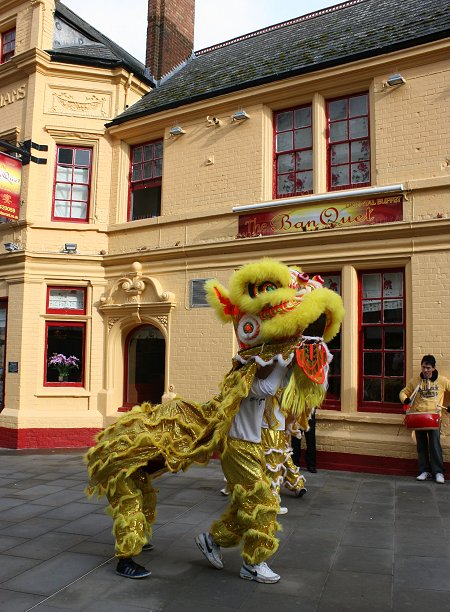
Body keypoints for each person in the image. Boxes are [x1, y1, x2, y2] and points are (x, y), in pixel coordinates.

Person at [196, 360, 290, 584]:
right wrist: (285, 359)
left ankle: (212, 540)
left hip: (251, 446)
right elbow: (268, 387)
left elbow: (280, 386)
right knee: (264, 504)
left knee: (245, 506)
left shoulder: (257, 380)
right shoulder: (241, 381)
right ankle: (253, 563)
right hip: (237, 447)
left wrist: (294, 363)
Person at [400, 355, 450, 484]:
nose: (425, 370)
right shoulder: (416, 380)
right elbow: (403, 392)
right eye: (423, 367)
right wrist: (405, 400)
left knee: (434, 445)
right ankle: (424, 471)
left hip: (434, 418)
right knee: (421, 446)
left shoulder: (442, 381)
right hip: (419, 418)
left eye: (428, 368)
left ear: (433, 368)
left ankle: (438, 472)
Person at [260, 396, 306, 515]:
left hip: (278, 424)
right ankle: (272, 501)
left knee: (282, 455)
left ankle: (296, 484)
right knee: (274, 463)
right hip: (270, 425)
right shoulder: (272, 380)